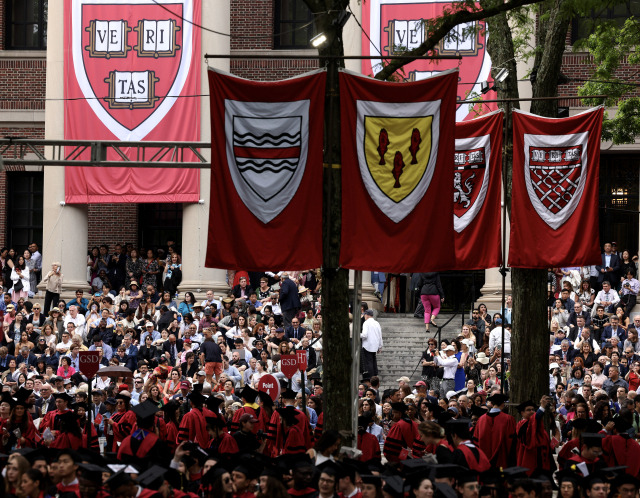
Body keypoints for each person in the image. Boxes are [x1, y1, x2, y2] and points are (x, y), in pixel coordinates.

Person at [360, 309, 383, 379]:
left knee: (368, 362)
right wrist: (380, 346)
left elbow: (364, 335)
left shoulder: (366, 323)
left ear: (366, 315)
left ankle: (370, 377)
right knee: (373, 361)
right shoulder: (377, 323)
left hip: (367, 345)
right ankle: (375, 375)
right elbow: (380, 335)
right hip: (375, 345)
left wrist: (357, 334)